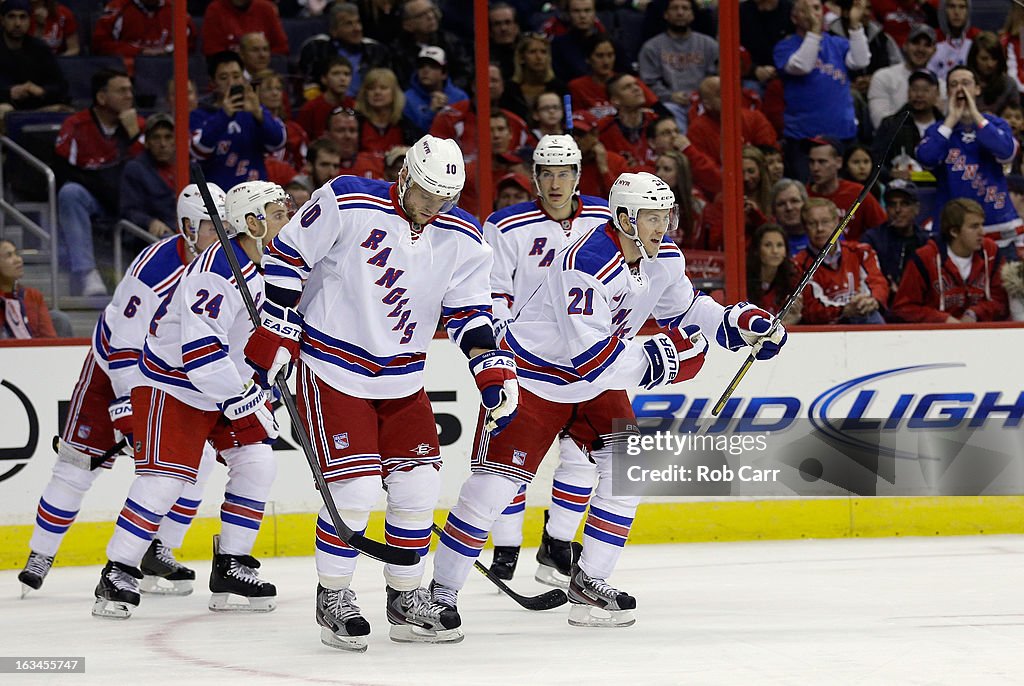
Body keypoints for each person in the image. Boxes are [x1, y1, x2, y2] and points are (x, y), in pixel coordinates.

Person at [430, 171, 787, 631]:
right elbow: (590, 360)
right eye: (652, 218)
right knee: (492, 493)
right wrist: (669, 358)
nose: (664, 227)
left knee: (627, 474)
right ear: (623, 219)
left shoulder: (662, 257)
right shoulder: (587, 265)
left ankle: (589, 583)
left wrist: (738, 322)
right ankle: (438, 593)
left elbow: (684, 308)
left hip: (594, 385)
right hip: (535, 379)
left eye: (667, 216)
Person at [248, 135, 517, 650]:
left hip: (403, 379)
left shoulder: (463, 236)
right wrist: (278, 329)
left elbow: (470, 312)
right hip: (332, 368)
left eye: (444, 199)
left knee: (417, 488)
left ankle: (404, 597)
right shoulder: (347, 198)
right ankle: (335, 596)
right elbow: (287, 257)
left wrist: (492, 369)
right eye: (425, 194)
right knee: (354, 492)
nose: (433, 208)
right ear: (405, 176)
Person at [92, 181, 292, 619]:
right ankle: (118, 569)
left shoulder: (276, 264)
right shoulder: (219, 268)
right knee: (165, 480)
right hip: (174, 385)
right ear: (252, 223)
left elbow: (269, 334)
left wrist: (269, 373)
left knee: (258, 462)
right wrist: (241, 396)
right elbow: (199, 351)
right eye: (278, 213)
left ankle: (231, 564)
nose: (288, 219)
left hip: (223, 386)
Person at [18, 184, 226, 598]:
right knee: (77, 464)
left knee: (198, 458)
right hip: (113, 367)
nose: (218, 235)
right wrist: (129, 412)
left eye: (223, 225)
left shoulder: (225, 263)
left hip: (171, 374)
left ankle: (158, 548)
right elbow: (123, 348)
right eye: (209, 226)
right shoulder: (155, 268)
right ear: (186, 227)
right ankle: (40, 554)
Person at [482, 135, 611, 585]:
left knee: (584, 458)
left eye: (565, 173)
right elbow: (492, 291)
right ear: (534, 177)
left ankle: (556, 546)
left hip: (588, 358)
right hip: (526, 360)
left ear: (578, 176)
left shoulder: (605, 216)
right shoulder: (505, 224)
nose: (556, 183)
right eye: (547, 173)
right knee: (510, 460)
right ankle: (506, 547)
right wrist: (499, 349)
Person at [916, 65, 1023, 262]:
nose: (960, 89)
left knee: (1003, 290)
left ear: (977, 89)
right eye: (954, 84)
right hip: (954, 231)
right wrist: (951, 121)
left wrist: (976, 116)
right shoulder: (938, 130)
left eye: (966, 83)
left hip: (998, 226)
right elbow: (926, 158)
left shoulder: (996, 124)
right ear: (947, 92)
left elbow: (1007, 152)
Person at [54, 68, 145, 297]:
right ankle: (86, 272)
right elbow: (63, 170)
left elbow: (152, 172)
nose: (129, 96)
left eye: (130, 90)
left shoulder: (139, 124)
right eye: (121, 90)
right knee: (70, 193)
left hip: (131, 201)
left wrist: (134, 133)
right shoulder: (76, 125)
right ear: (101, 97)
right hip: (97, 198)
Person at [773, 0, 870, 181]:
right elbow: (803, 65)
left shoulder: (836, 43)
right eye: (806, 9)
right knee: (810, 195)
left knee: (846, 196)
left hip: (843, 135)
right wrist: (815, 32)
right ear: (795, 17)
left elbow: (860, 61)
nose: (813, 14)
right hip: (804, 139)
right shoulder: (785, 47)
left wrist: (855, 25)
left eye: (817, 8)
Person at [893, 197, 1008, 323]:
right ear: (954, 231)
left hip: (982, 333)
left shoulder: (991, 252)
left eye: (982, 225)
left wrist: (975, 313)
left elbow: (1001, 302)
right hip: (935, 336)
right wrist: (944, 320)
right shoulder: (924, 258)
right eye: (974, 227)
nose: (982, 232)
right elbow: (904, 308)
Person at [190, 51, 287, 191]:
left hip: (255, 195)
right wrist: (224, 115)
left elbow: (278, 141)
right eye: (223, 78)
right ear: (213, 83)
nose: (231, 83)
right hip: (217, 198)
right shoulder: (199, 115)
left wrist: (258, 113)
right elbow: (198, 151)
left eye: (236, 76)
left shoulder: (255, 111)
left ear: (243, 78)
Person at [796, 197, 889, 324]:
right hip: (826, 327)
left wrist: (873, 300)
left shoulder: (861, 252)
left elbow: (878, 283)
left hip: (863, 315)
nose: (820, 229)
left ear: (837, 222)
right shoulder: (798, 264)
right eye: (812, 223)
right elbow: (811, 308)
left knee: (872, 316)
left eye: (825, 221)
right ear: (805, 228)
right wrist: (843, 310)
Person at [638, 0, 718, 133]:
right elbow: (648, 83)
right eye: (674, 8)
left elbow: (716, 76)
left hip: (704, 102)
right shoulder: (651, 47)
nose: (680, 13)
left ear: (692, 15)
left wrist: (702, 96)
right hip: (671, 103)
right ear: (666, 14)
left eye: (685, 8)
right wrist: (669, 96)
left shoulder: (709, 45)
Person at [862, 179, 932, 304]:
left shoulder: (928, 242)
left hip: (919, 304)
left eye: (904, 204)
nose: (898, 210)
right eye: (892, 204)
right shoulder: (872, 239)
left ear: (916, 209)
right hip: (882, 303)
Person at [805, 137, 886, 240]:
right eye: (811, 162)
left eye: (822, 162)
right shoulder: (803, 196)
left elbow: (883, 230)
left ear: (839, 162)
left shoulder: (857, 193)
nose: (815, 168)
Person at [686, 76, 778, 166]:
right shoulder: (697, 130)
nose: (729, 96)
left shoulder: (755, 118)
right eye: (720, 94)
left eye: (730, 90)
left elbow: (771, 157)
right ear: (707, 104)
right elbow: (704, 170)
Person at [872, 69, 942, 182]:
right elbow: (876, 160)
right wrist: (890, 173)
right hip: (900, 189)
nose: (919, 95)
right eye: (914, 89)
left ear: (937, 93)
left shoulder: (945, 126)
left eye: (925, 90)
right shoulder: (892, 124)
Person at [567, 32, 657, 120]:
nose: (606, 62)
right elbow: (576, 120)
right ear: (588, 59)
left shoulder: (629, 81)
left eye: (610, 55)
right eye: (599, 56)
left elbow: (658, 109)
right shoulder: (577, 87)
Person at [0, 0, 68, 116]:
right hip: (5, 106)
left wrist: (42, 91)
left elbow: (61, 86)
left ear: (29, 20)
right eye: (11, 17)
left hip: (37, 106)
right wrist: (9, 92)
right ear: (2, 20)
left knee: (63, 111)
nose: (17, 23)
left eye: (23, 17)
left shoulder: (40, 48)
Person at [867, 24, 938, 129]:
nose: (920, 49)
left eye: (927, 45)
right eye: (915, 43)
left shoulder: (939, 84)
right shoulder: (883, 77)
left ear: (934, 51)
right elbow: (881, 124)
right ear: (905, 46)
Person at [120, 113, 177, 239]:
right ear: (146, 142)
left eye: (168, 137)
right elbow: (129, 211)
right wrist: (150, 222)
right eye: (156, 138)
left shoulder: (188, 167)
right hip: (153, 238)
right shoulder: (135, 169)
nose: (163, 144)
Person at [92, 0, 196, 61]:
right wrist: (139, 51)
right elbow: (101, 45)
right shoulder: (119, 7)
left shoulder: (175, 7)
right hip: (127, 71)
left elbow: (190, 43)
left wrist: (168, 50)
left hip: (168, 67)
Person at [402, 46, 468, 137]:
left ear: (444, 73)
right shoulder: (407, 99)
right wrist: (431, 112)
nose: (425, 70)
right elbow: (413, 135)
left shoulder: (460, 97)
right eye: (421, 66)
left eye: (433, 66)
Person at [747, 224, 803, 325]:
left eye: (780, 245)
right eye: (768, 245)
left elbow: (795, 317)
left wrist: (794, 317)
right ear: (757, 250)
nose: (775, 251)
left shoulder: (793, 277)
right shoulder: (743, 280)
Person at [0, 239, 56, 338]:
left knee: (60, 318)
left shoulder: (33, 296)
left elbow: (50, 341)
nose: (18, 260)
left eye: (16, 254)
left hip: (36, 352)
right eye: (9, 255)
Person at [353, 67, 414, 158]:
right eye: (371, 88)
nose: (377, 92)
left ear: (394, 93)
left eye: (383, 88)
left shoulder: (405, 125)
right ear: (365, 93)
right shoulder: (355, 122)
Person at [571, 110, 628, 199]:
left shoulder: (616, 161)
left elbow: (622, 199)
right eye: (571, 134)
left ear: (595, 135)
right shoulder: (563, 164)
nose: (575, 139)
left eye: (580, 134)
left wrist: (604, 169)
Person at [296, 56, 355, 140]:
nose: (342, 79)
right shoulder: (309, 109)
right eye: (336, 73)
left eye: (346, 74)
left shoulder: (355, 106)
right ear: (324, 79)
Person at [201, 0, 288, 56]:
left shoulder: (266, 8)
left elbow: (281, 48)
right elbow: (211, 50)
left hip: (264, 71)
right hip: (230, 71)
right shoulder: (215, 9)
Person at [966, 32, 1020, 115]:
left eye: (994, 58)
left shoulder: (1009, 85)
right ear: (974, 59)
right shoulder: (964, 84)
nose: (990, 64)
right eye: (984, 59)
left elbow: (1015, 117)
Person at [927, 0, 978, 83]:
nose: (957, 12)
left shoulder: (976, 37)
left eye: (962, 7)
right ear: (944, 10)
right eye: (952, 7)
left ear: (968, 11)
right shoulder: (931, 38)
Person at [771, 177, 810, 254]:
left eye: (794, 201)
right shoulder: (767, 240)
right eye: (781, 204)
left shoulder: (826, 234)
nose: (789, 208)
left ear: (805, 204)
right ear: (774, 210)